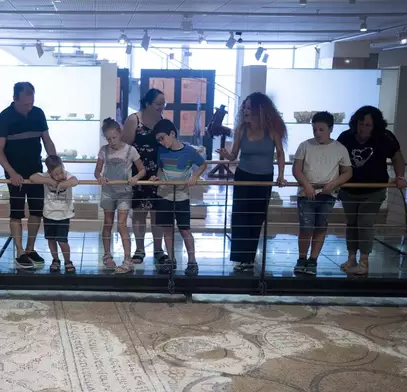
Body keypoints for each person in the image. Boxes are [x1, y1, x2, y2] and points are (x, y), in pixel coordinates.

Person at [217, 92, 287, 272]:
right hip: (243, 175)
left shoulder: (272, 130)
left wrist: (281, 175)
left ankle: (249, 257)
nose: (246, 111)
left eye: (250, 108)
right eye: (245, 107)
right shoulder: (241, 129)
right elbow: (234, 156)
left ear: (259, 110)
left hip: (264, 178)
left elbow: (280, 153)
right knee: (240, 216)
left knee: (256, 217)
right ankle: (240, 258)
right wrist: (226, 155)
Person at [0, 82, 57, 270]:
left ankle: (30, 248)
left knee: (37, 210)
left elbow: (47, 141)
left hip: (36, 170)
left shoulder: (38, 114)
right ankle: (19, 251)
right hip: (15, 172)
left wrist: (55, 165)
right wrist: (12, 173)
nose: (29, 107)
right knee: (17, 211)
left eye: (31, 103)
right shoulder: (4, 118)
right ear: (15, 99)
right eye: (25, 104)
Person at [337, 106, 407, 275]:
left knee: (365, 223)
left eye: (369, 125)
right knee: (352, 224)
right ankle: (351, 257)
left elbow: (397, 156)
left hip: (374, 190)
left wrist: (400, 177)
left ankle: (364, 261)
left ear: (375, 125)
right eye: (361, 124)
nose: (364, 128)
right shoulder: (346, 137)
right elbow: (335, 157)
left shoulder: (385, 137)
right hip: (349, 189)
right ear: (356, 123)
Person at [292, 111, 352, 275]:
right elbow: (297, 169)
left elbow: (347, 172)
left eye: (321, 129)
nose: (317, 133)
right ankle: (302, 258)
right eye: (315, 129)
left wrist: (332, 185)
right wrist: (307, 186)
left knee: (320, 226)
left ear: (330, 129)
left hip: (328, 195)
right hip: (306, 193)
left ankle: (313, 260)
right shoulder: (305, 145)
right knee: (305, 226)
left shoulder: (340, 148)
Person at [150, 119, 207, 277]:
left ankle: (192, 261)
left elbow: (202, 164)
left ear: (172, 134)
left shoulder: (188, 151)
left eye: (162, 138)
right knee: (167, 230)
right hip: (164, 195)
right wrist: (157, 178)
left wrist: (195, 176)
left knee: (185, 230)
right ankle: (171, 260)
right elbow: (161, 169)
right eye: (158, 140)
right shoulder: (162, 151)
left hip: (182, 196)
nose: (161, 142)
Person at [121, 88, 167, 264]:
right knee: (139, 212)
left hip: (158, 174)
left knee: (157, 213)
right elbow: (125, 148)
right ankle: (139, 250)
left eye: (163, 104)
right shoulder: (134, 120)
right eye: (158, 104)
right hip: (138, 173)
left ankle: (158, 249)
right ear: (147, 103)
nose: (161, 107)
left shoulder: (163, 122)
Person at [95, 118, 146, 274]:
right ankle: (107, 254)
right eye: (108, 139)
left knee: (122, 224)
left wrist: (136, 178)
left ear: (120, 133)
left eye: (114, 138)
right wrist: (100, 177)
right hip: (108, 192)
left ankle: (127, 259)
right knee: (108, 223)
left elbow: (142, 170)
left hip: (124, 192)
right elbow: (97, 171)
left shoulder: (131, 151)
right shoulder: (103, 151)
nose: (112, 142)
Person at [30, 155, 78, 273]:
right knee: (51, 239)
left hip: (63, 215)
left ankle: (68, 261)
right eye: (56, 174)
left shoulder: (67, 175)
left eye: (61, 172)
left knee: (62, 240)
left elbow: (75, 181)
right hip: (49, 214)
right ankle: (55, 259)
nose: (60, 176)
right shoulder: (46, 176)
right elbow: (33, 178)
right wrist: (49, 181)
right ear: (49, 172)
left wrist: (62, 184)